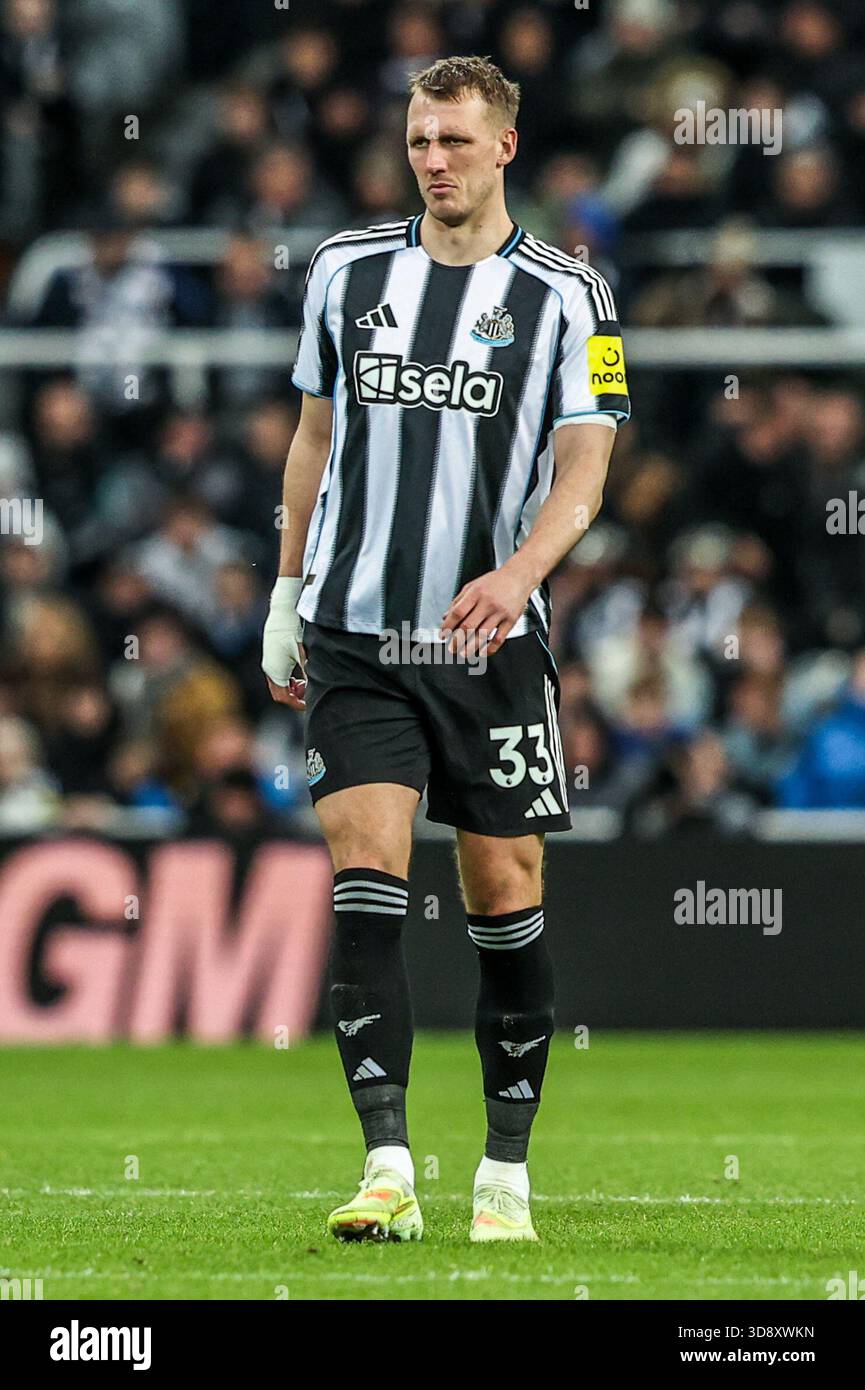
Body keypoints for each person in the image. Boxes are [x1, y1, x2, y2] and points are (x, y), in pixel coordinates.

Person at [261, 55, 629, 1245]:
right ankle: (385, 1167)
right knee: (365, 878)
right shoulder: (343, 270)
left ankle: (504, 1175)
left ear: (504, 146)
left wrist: (520, 573)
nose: (434, 160)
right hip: (357, 632)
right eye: (420, 140)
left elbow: (587, 467)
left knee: (503, 894)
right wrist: (284, 590)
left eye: (456, 141)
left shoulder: (574, 296)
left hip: (490, 647)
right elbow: (312, 436)